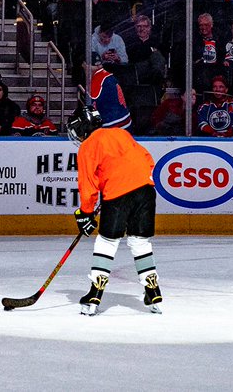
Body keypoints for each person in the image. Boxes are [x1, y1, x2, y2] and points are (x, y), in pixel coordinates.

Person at [66, 105, 162, 316]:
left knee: (108, 241)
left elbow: (87, 185)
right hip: (146, 190)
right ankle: (152, 290)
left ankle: (94, 294)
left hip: (118, 195)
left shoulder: (88, 146)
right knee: (140, 241)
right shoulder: (121, 132)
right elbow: (147, 160)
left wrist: (85, 214)